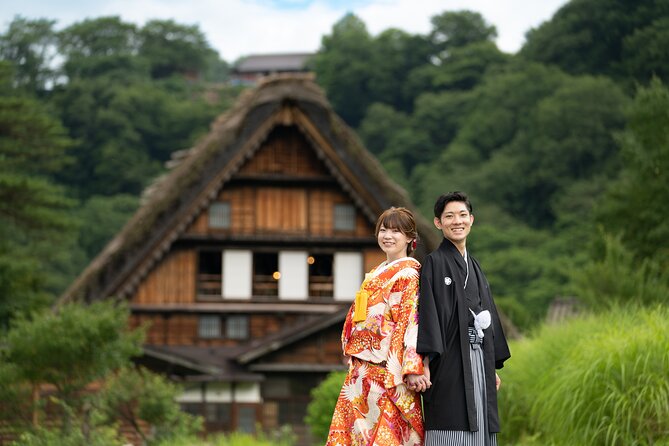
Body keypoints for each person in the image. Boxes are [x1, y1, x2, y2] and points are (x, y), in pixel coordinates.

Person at [326, 207, 430, 446]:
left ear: (410, 238)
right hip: (362, 370)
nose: (388, 236)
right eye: (383, 230)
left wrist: (411, 366)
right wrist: (351, 347)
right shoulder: (375, 273)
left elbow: (409, 321)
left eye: (396, 231)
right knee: (356, 436)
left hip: (386, 370)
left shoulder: (409, 275)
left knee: (385, 436)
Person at [416, 191, 511, 446]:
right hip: (448, 360)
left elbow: (487, 313)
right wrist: (424, 361)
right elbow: (428, 314)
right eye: (449, 216)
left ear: (471, 219)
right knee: (451, 420)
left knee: (481, 423)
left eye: (462, 215)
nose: (457, 221)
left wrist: (490, 365)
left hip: (478, 358)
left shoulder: (476, 267)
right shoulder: (433, 263)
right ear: (438, 223)